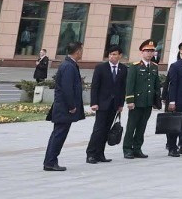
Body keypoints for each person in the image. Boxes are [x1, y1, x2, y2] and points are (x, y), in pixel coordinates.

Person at [43, 41, 85, 171]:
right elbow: (67, 88)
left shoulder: (70, 64)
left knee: (59, 134)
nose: (82, 53)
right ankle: (50, 162)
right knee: (59, 135)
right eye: (81, 50)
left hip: (63, 107)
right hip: (64, 108)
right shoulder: (68, 66)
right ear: (77, 51)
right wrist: (72, 105)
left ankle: (51, 161)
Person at [85, 45, 125, 164]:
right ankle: (91, 154)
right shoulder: (101, 68)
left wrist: (121, 104)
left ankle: (100, 154)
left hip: (114, 104)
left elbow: (123, 88)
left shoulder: (123, 69)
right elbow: (95, 86)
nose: (112, 57)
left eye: (115, 54)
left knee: (107, 129)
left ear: (120, 56)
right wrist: (94, 103)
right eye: (110, 54)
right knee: (98, 129)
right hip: (102, 104)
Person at [123, 39, 159, 159]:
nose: (149, 53)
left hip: (147, 102)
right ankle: (127, 149)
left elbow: (155, 85)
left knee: (142, 127)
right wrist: (130, 100)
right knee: (131, 126)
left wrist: (156, 100)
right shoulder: (135, 66)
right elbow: (130, 84)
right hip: (137, 102)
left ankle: (137, 148)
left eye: (151, 51)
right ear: (142, 52)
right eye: (147, 51)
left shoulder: (154, 67)